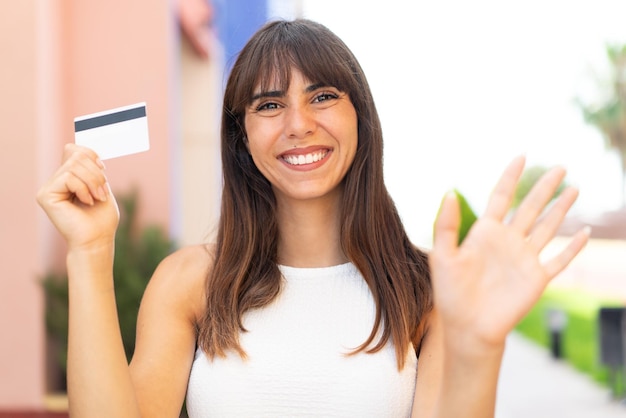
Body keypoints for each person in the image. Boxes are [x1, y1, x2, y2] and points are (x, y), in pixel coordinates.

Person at [36, 18, 589, 418]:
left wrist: (481, 348)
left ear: (360, 119)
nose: (297, 124)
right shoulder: (189, 283)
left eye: (322, 96)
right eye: (269, 105)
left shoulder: (425, 288)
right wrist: (89, 253)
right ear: (243, 137)